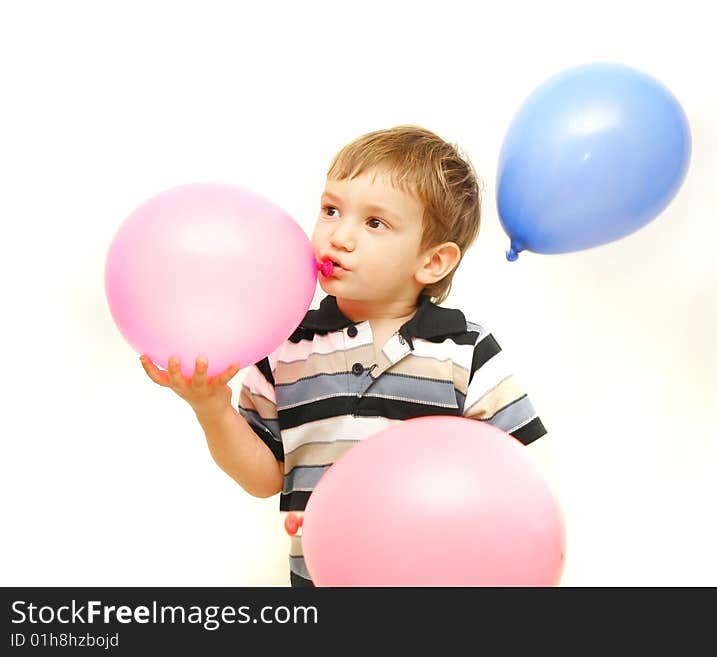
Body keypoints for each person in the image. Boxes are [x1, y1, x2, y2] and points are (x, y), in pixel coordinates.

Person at [141, 125, 548, 586]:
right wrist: (210, 408)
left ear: (432, 261)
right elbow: (264, 477)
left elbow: (513, 474)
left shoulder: (465, 349)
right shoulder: (284, 347)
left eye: (375, 223)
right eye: (331, 210)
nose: (339, 236)